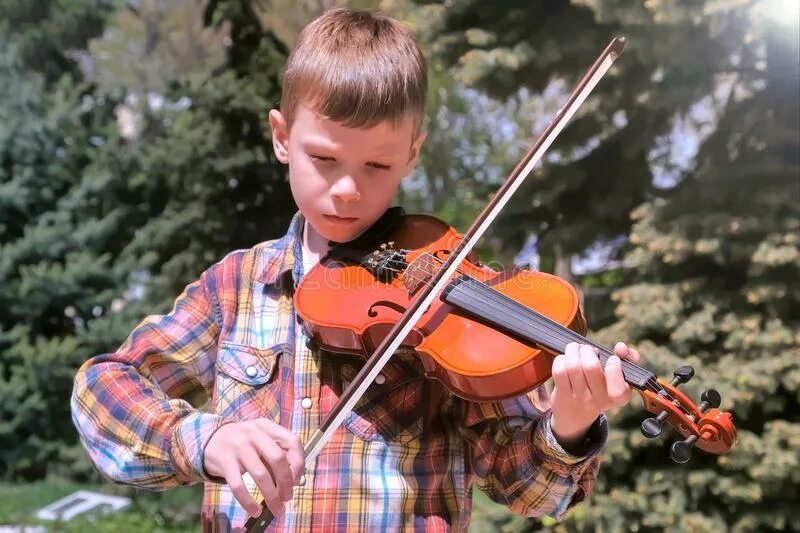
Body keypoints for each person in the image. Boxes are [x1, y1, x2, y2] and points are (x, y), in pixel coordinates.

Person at [71, 7, 640, 532]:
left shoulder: (455, 299)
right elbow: (102, 390)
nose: (346, 190)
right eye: (324, 158)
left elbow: (528, 494)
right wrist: (206, 438)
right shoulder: (238, 285)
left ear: (412, 154)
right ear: (281, 137)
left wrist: (571, 421)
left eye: (377, 164)